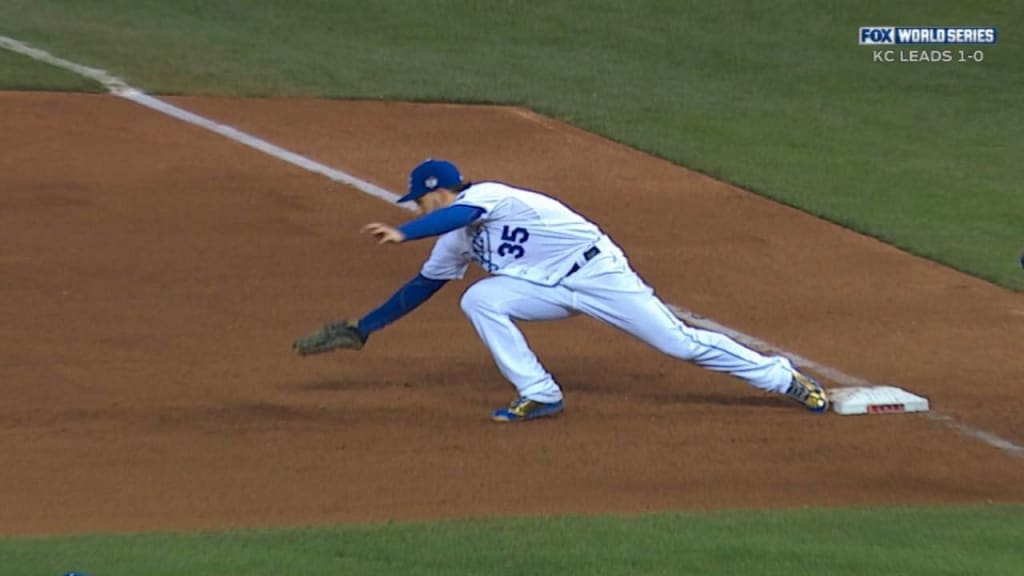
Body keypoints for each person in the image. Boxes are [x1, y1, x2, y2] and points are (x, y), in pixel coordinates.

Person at [293, 159, 830, 422]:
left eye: (419, 201)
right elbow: (422, 286)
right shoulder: (455, 237)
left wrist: (404, 233)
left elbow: (455, 214)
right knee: (479, 298)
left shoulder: (490, 196)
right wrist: (363, 329)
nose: (415, 207)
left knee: (679, 344)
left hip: (597, 274)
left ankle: (783, 378)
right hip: (545, 290)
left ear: (438, 191)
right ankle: (541, 392)